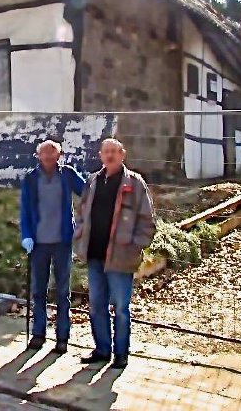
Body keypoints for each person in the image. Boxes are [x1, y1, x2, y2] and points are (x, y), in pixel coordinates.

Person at [73, 138, 156, 369]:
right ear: (100, 156)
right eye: (106, 152)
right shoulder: (93, 181)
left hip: (121, 257)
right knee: (96, 305)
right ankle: (102, 350)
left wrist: (135, 246)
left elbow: (147, 221)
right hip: (94, 255)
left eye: (114, 151)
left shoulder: (135, 183)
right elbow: (81, 213)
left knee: (120, 308)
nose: (110, 155)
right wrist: (79, 236)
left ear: (122, 154)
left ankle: (121, 354)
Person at [20, 139, 86, 354]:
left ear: (59, 155)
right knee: (38, 290)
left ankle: (62, 337)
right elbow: (25, 210)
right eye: (44, 154)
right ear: (38, 156)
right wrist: (26, 235)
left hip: (62, 242)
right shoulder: (31, 178)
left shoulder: (67, 174)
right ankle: (38, 333)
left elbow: (87, 193)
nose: (48, 158)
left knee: (63, 292)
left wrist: (83, 223)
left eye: (52, 154)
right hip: (38, 243)